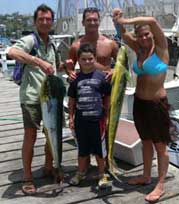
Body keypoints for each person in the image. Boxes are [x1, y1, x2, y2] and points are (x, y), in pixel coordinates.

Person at [112, 8, 172, 202]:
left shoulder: (161, 47)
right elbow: (122, 33)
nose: (144, 38)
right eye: (140, 36)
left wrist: (126, 19)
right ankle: (146, 176)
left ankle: (160, 184)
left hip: (156, 104)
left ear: (152, 34)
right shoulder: (138, 49)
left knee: (160, 146)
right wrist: (117, 18)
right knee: (145, 141)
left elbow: (153, 20)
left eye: (146, 34)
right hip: (139, 103)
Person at [7, 4, 59, 195]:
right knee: (31, 135)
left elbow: (55, 69)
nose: (45, 22)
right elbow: (11, 52)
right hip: (31, 97)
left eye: (48, 19)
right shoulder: (30, 40)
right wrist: (38, 61)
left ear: (52, 21)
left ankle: (48, 165)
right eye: (41, 19)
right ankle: (27, 176)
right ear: (35, 22)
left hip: (50, 98)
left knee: (51, 134)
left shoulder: (52, 43)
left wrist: (67, 67)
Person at [68, 43, 111, 189]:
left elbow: (107, 97)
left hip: (97, 121)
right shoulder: (75, 79)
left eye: (90, 59)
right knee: (82, 151)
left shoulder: (102, 77)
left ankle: (101, 174)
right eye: (84, 59)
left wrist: (107, 114)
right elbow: (72, 100)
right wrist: (70, 118)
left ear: (95, 58)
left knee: (100, 152)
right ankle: (80, 173)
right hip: (81, 121)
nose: (87, 62)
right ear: (78, 60)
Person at [64, 7, 119, 81]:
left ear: (99, 22)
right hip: (86, 88)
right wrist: (70, 72)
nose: (92, 23)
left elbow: (122, 66)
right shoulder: (76, 46)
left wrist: (114, 71)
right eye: (89, 20)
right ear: (83, 23)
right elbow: (69, 68)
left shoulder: (110, 44)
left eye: (95, 20)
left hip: (106, 88)